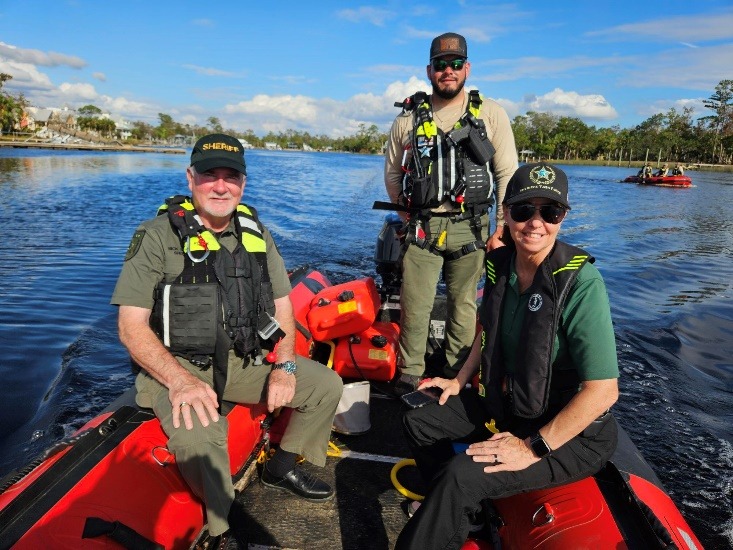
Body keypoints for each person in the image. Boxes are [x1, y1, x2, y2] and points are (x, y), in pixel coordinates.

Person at [111, 133, 343, 547]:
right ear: (190, 178)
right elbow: (130, 326)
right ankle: (226, 528)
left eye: (231, 176)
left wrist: (286, 366)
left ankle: (281, 468)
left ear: (243, 183)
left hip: (239, 358)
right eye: (209, 175)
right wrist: (179, 381)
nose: (220, 186)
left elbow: (283, 306)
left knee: (325, 385)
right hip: (175, 366)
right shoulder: (156, 236)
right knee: (202, 436)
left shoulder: (255, 233)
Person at [395, 163, 620, 550]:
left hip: (568, 434)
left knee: (460, 474)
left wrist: (531, 447)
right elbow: (487, 332)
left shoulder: (581, 283)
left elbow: (603, 391)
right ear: (506, 214)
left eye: (549, 212)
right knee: (419, 417)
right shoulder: (500, 266)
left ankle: (449, 512)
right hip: (510, 407)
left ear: (563, 217)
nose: (535, 223)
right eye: (523, 210)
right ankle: (467, 516)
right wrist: (459, 379)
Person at [384, 32, 518, 392]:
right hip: (423, 227)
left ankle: (458, 375)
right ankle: (410, 371)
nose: (448, 70)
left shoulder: (491, 114)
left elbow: (506, 172)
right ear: (429, 70)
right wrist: (406, 217)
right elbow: (394, 173)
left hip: (472, 226)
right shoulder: (406, 120)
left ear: (467, 68)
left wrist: (502, 227)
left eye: (456, 64)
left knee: (463, 305)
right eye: (441, 65)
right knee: (416, 303)